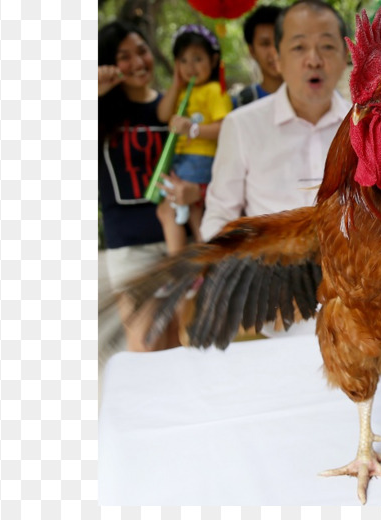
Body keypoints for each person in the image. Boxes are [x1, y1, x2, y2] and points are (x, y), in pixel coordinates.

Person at [200, 0, 351, 241]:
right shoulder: (241, 126)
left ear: (345, 58)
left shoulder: (368, 126)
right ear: (278, 60)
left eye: (327, 46)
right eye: (299, 47)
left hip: (352, 276)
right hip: (267, 271)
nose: (314, 60)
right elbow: (219, 217)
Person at [98, 21, 200, 352]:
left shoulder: (174, 109)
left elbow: (202, 168)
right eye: (124, 57)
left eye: (142, 51)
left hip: (177, 242)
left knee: (181, 346)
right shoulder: (100, 112)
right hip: (131, 250)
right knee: (146, 347)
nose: (138, 62)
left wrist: (194, 193)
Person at [156, 24, 233, 254]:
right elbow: (162, 114)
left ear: (213, 60)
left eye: (198, 59)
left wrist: (193, 129)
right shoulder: (181, 91)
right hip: (180, 160)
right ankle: (200, 269)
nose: (190, 67)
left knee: (178, 212)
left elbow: (224, 127)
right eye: (183, 60)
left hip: (199, 160)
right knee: (182, 213)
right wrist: (176, 84)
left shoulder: (214, 91)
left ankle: (192, 268)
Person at [231, 5, 284, 109]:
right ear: (252, 51)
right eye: (265, 44)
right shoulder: (241, 103)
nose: (274, 51)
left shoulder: (315, 97)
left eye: (279, 41)